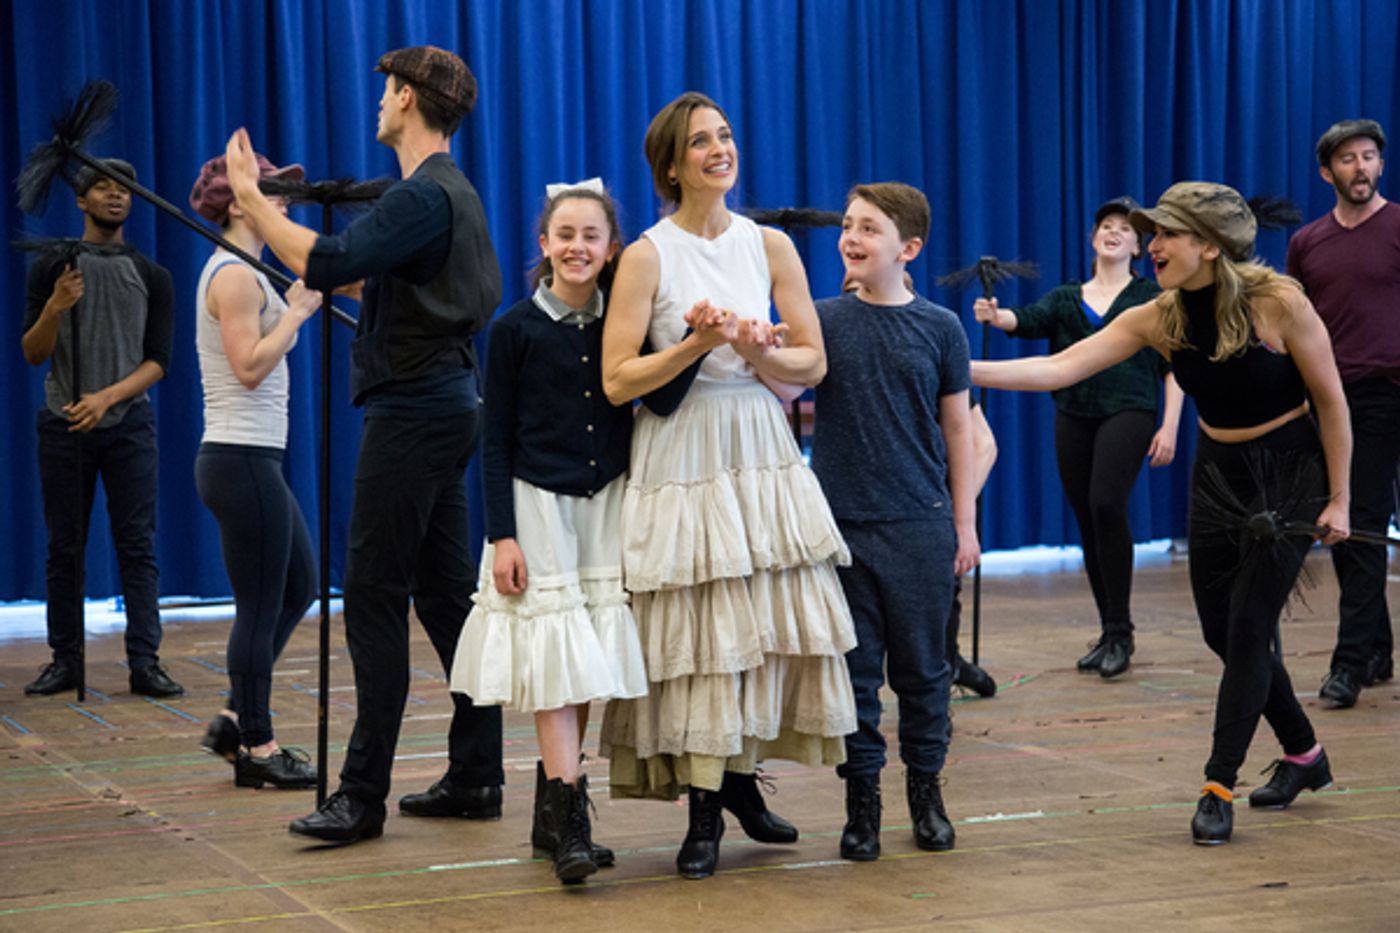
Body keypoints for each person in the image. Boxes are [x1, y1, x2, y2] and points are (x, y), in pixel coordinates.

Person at [972, 182, 1350, 845]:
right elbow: (1060, 368)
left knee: (1248, 627)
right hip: (1218, 473)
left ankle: (1216, 784)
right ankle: (1303, 753)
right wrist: (957, 367)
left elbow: (1333, 401)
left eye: (1165, 235)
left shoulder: (1278, 302)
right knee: (1221, 632)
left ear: (1208, 245)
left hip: (1289, 472)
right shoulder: (1160, 313)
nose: (1153, 246)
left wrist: (1341, 496)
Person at [223, 45, 504, 843]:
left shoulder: (424, 193)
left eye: (387, 90)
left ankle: (361, 795)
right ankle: (478, 770)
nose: (378, 101)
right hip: (448, 405)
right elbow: (367, 275)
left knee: (374, 597)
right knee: (447, 599)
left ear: (409, 98)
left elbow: (327, 256)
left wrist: (251, 197)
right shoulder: (450, 195)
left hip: (415, 412)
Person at [598, 91, 857, 880]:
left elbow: (810, 362)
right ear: (672, 166)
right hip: (684, 448)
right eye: (701, 142)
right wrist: (697, 341)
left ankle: (742, 782)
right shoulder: (646, 253)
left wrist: (757, 354)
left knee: (757, 620)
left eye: (726, 136)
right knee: (702, 630)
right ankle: (703, 811)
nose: (720, 149)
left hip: (757, 438)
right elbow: (617, 378)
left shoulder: (769, 244)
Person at [449, 181, 647, 884]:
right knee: (556, 658)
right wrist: (502, 535)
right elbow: (495, 439)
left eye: (592, 235)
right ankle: (571, 821)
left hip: (605, 504)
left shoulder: (626, 326)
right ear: (543, 245)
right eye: (565, 234)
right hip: (539, 507)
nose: (577, 247)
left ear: (612, 248)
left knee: (587, 657)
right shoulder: (513, 331)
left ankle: (553, 809)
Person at [810, 182, 978, 861]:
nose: (851, 236)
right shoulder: (821, 318)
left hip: (919, 523)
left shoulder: (941, 327)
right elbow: (783, 383)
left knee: (924, 671)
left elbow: (958, 431)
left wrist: (963, 523)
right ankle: (863, 804)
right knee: (854, 677)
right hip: (843, 525)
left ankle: (926, 793)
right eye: (848, 224)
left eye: (869, 228)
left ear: (907, 248)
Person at [975, 197, 1184, 678]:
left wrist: (1169, 425)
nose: (1114, 232)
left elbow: (1175, 368)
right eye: (1105, 226)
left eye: (1124, 229)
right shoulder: (1068, 297)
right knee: (1089, 519)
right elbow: (1026, 321)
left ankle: (1122, 630)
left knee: (1108, 503)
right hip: (1074, 410)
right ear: (1092, 240)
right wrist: (996, 315)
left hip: (1130, 409)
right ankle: (1110, 630)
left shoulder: (1151, 298)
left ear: (1138, 245)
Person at [21, 158, 183, 700]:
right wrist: (55, 308)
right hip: (62, 425)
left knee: (137, 545)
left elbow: (158, 360)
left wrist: (107, 397)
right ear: (81, 201)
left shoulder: (151, 273)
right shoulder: (53, 266)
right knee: (65, 547)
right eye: (103, 188)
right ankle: (65, 660)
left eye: (124, 190)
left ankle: (145, 662)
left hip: (128, 426)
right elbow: (31, 351)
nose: (116, 197)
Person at [188, 152, 320, 790]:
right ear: (240, 204)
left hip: (252, 458)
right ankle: (259, 749)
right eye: (274, 196)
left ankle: (237, 719)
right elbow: (247, 366)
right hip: (240, 458)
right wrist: (295, 313)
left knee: (299, 585)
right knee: (261, 603)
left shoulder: (247, 272)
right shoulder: (236, 277)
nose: (285, 208)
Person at [1286, 119, 1400, 709]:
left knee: (1365, 527)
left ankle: (1364, 656)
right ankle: (1361, 656)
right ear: (1328, 172)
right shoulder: (1308, 244)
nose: (1362, 167)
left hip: (1393, 387)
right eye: (1349, 160)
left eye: (1371, 157)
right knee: (1356, 527)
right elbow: (1295, 326)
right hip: (1343, 400)